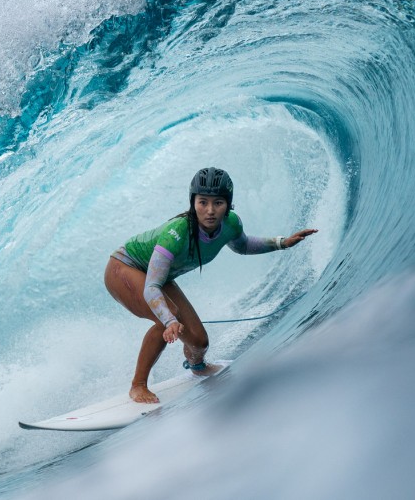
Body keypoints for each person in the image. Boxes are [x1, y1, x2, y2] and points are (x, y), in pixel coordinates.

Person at [104, 167, 318, 404]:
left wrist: (282, 243)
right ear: (192, 201)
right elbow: (152, 287)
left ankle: (196, 366)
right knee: (168, 314)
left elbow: (243, 245)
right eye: (202, 202)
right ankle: (138, 385)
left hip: (157, 276)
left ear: (228, 204)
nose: (210, 210)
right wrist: (169, 321)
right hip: (123, 269)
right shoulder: (176, 233)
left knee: (199, 342)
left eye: (218, 203)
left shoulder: (231, 224)